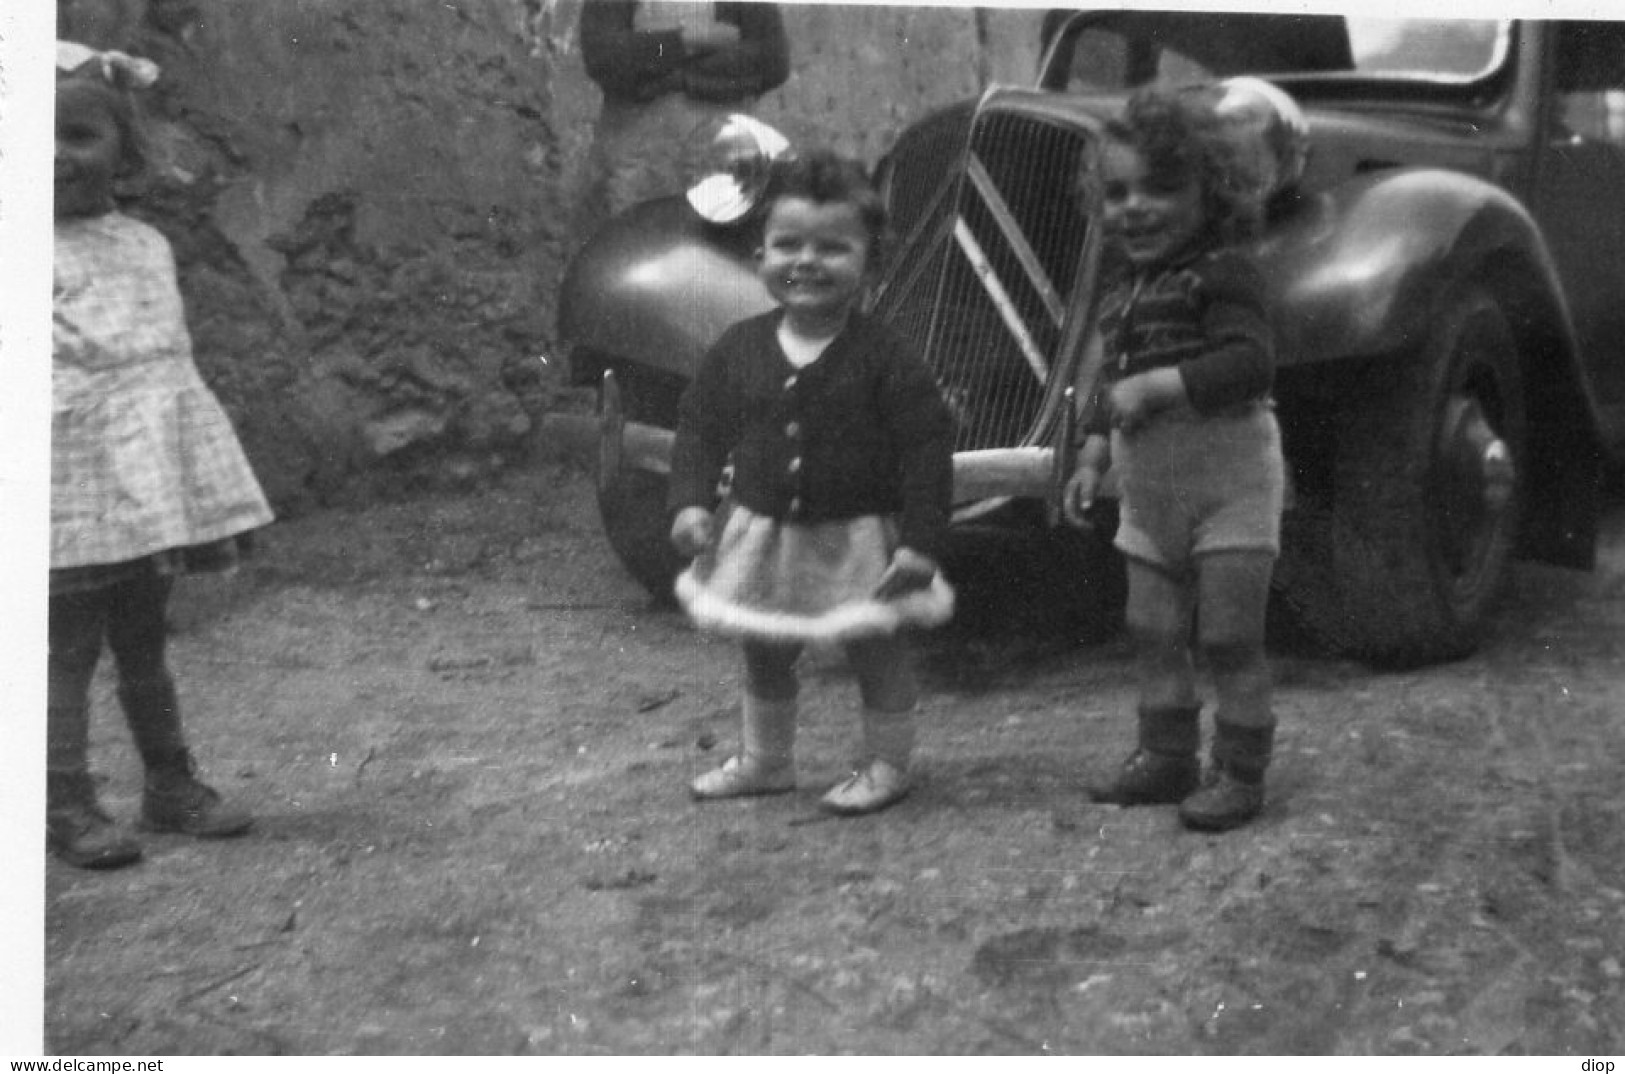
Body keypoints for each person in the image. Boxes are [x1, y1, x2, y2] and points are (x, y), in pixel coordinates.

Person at [667, 151, 956, 816]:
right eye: (787, 244)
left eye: (832, 248)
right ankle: (767, 761)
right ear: (759, 252)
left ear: (870, 261)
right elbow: (700, 427)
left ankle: (888, 764)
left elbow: (925, 447)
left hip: (855, 535)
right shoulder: (740, 347)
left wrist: (919, 543)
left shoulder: (884, 356)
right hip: (762, 531)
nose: (806, 261)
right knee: (765, 648)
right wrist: (687, 500)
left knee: (871, 646)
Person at [49, 42, 275, 869]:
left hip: (141, 477)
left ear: (123, 147)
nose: (54, 155)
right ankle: (63, 800)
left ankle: (169, 785)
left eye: (79, 135)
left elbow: (161, 367)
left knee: (144, 638)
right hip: (62, 479)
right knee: (66, 644)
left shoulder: (144, 244)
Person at [1062, 84, 1283, 832]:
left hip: (1228, 484)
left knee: (1227, 636)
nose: (1135, 207)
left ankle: (1240, 772)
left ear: (1211, 191)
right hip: (1151, 491)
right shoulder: (1124, 292)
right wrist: (1093, 452)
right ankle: (1165, 757)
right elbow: (1106, 383)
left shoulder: (1222, 273)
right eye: (1118, 192)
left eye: (1160, 187)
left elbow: (1250, 364)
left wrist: (1160, 384)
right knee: (1150, 626)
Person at [573, 0, 790, 246]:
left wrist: (677, 76)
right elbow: (606, 57)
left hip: (721, 166)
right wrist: (686, 41)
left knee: (718, 261)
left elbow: (773, 60)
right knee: (629, 261)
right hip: (636, 168)